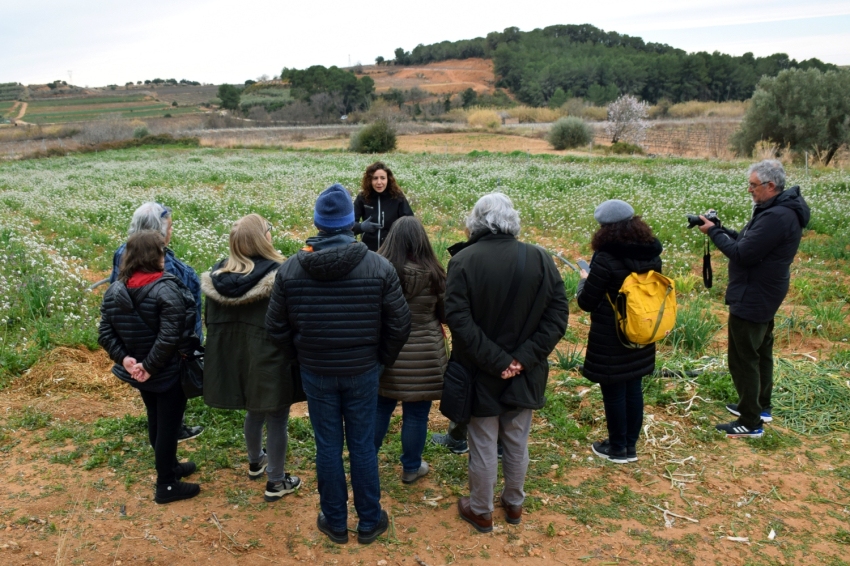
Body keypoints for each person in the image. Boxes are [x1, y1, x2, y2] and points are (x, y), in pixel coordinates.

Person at [266, 184, 411, 545]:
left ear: (318, 223)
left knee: (327, 445)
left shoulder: (290, 271)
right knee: (362, 446)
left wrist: (301, 359)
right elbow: (400, 324)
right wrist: (380, 361)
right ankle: (368, 521)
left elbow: (275, 329)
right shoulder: (379, 266)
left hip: (317, 372)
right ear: (352, 223)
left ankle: (334, 521)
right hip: (363, 370)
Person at [445, 193, 568, 533]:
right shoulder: (541, 258)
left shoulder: (463, 261)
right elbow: (557, 317)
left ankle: (481, 510)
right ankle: (514, 504)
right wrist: (521, 360)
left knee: (483, 442)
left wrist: (498, 361)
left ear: (477, 220)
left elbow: (458, 319)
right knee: (517, 438)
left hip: (478, 371)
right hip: (524, 372)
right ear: (511, 219)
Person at [699, 159, 810, 438]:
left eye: (753, 185)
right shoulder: (778, 210)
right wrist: (721, 229)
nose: (749, 190)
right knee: (761, 350)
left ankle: (750, 422)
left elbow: (742, 254)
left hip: (755, 292)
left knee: (743, 356)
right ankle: (760, 406)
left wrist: (713, 232)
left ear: (770, 186)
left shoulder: (776, 216)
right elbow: (749, 243)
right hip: (766, 289)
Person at [201, 214, 303, 502]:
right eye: (268, 230)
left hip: (235, 361)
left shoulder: (217, 278)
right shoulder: (280, 276)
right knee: (277, 417)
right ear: (262, 239)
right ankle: (276, 481)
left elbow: (209, 323)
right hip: (271, 360)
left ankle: (255, 460)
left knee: (254, 411)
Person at [98, 230, 200, 504]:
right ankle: (166, 485)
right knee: (168, 424)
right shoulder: (166, 288)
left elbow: (105, 333)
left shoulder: (115, 290)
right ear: (155, 256)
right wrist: (151, 367)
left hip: (139, 373)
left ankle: (171, 467)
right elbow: (171, 335)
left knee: (155, 418)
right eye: (162, 251)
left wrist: (126, 361)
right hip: (166, 372)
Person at [576, 200, 663, 464]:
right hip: (641, 331)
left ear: (605, 228)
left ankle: (616, 449)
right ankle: (629, 447)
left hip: (611, 337)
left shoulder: (604, 258)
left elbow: (586, 302)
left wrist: (583, 280)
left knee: (613, 391)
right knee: (634, 387)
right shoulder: (652, 254)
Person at [110, 202, 204, 442]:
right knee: (168, 395)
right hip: (162, 345)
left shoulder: (126, 251)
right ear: (156, 232)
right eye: (169, 227)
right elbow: (174, 310)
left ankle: (167, 434)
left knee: (154, 398)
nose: (171, 232)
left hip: (140, 342)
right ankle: (171, 443)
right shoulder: (161, 263)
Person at [373, 217, 448, 485]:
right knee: (417, 414)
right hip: (426, 355)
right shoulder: (436, 272)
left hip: (388, 353)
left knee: (380, 409)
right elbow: (445, 314)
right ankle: (411, 468)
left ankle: (366, 461)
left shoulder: (379, 270)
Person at [353, 161, 414, 252]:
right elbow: (348, 225)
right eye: (375, 178)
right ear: (369, 180)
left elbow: (410, 223)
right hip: (369, 251)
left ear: (388, 179)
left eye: (383, 178)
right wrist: (361, 227)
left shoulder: (397, 197)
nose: (379, 182)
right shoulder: (362, 197)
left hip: (393, 250)